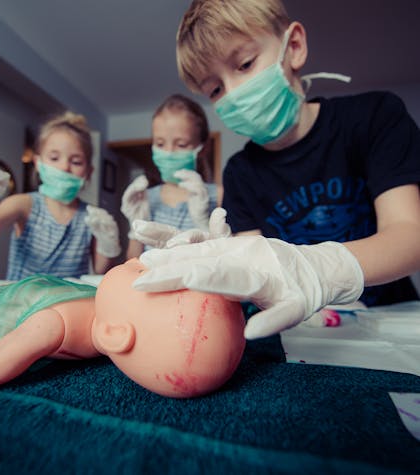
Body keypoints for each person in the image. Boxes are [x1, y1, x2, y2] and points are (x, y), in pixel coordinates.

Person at [131, 0, 420, 339]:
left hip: (393, 322)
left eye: (245, 64)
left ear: (293, 47)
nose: (234, 93)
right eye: (215, 89)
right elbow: (257, 274)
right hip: (304, 330)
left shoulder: (373, 117)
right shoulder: (239, 174)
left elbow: (409, 234)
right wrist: (225, 261)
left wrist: (324, 270)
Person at [0, 259, 246, 398]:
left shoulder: (51, 325)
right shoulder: (110, 310)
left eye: (140, 270)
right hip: (13, 291)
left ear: (114, 334)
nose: (136, 257)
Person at [0, 111, 121, 280]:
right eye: (54, 158)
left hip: (68, 308)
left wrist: (109, 246)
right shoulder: (23, 205)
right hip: (22, 307)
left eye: (76, 161)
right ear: (38, 162)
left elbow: (100, 271)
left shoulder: (93, 217)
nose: (65, 167)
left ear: (89, 172)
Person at [121, 94, 221, 259]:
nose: (168, 152)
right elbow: (132, 261)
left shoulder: (217, 195)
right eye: (160, 144)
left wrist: (203, 223)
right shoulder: (146, 197)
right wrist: (135, 227)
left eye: (181, 144)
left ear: (202, 148)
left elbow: (226, 261)